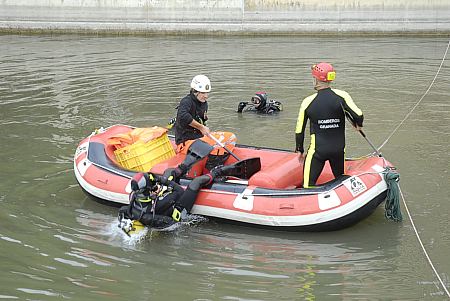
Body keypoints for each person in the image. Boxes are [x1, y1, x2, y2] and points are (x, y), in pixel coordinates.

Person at [295, 62, 364, 188]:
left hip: (318, 152)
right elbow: (358, 115)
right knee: (341, 184)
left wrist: (300, 149)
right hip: (338, 150)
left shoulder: (307, 102)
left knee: (307, 186)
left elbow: (299, 130)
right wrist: (357, 124)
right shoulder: (342, 96)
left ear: (316, 80)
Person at [117, 164, 235, 234]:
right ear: (149, 188)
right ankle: (217, 172)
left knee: (169, 171)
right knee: (196, 182)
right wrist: (164, 181)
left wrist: (157, 184)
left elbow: (154, 194)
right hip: (177, 209)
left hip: (157, 207)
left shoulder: (134, 195)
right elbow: (179, 191)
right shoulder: (161, 202)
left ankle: (185, 166)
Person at [174, 74, 211, 154]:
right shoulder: (186, 101)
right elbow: (183, 116)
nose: (206, 96)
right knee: (206, 149)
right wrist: (201, 127)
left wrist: (204, 129)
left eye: (207, 93)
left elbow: (202, 121)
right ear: (195, 92)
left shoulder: (204, 104)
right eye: (203, 93)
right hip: (185, 140)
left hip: (198, 138)